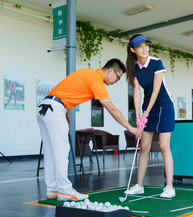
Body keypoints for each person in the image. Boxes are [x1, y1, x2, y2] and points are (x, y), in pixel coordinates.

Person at [36, 58, 142, 201]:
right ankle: (65, 191)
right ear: (110, 71)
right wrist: (132, 128)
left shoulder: (87, 72)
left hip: (45, 106)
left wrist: (65, 108)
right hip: (55, 108)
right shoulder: (97, 80)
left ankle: (53, 189)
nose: (116, 82)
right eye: (117, 78)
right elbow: (112, 109)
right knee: (61, 150)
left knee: (50, 152)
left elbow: (65, 89)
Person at [124, 34, 176, 198]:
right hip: (148, 107)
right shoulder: (134, 68)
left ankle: (169, 187)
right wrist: (139, 117)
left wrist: (145, 113)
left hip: (164, 106)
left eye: (146, 45)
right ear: (133, 50)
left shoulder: (156, 62)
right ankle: (139, 185)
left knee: (163, 146)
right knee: (144, 147)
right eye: (140, 46)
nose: (145, 49)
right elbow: (137, 94)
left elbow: (155, 90)